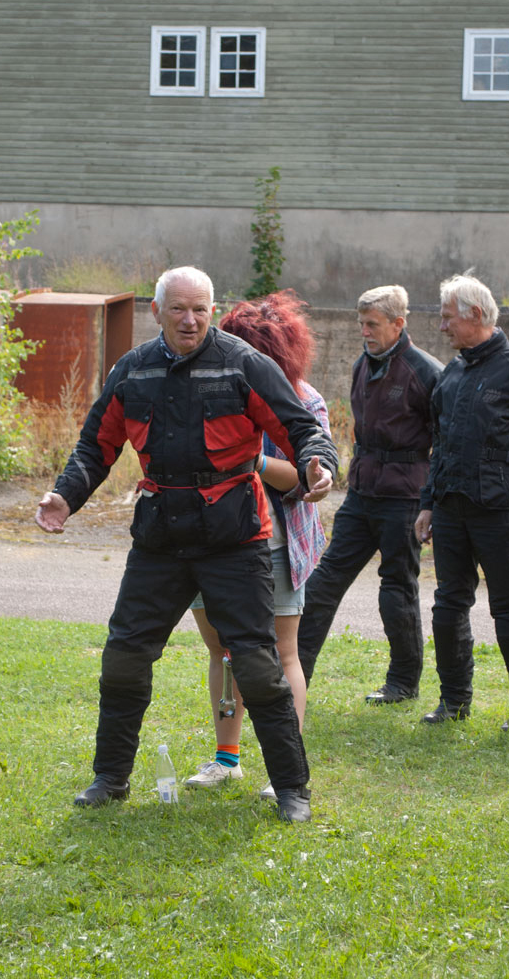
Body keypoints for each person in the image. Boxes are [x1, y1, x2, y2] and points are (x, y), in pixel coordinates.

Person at [35, 267, 338, 823]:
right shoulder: (133, 370)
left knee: (256, 664)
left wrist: (319, 462)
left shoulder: (245, 364)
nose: (190, 320)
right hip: (159, 541)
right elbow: (94, 447)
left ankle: (292, 788)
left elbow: (301, 427)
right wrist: (64, 496)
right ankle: (111, 778)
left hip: (235, 541)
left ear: (212, 309)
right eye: (178, 309)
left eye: (200, 309)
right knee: (124, 658)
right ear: (157, 311)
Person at [183, 290, 330, 798]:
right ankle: (227, 758)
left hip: (278, 541)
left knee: (279, 653)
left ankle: (284, 770)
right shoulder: (204, 389)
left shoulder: (305, 401)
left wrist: (252, 464)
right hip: (209, 539)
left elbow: (304, 481)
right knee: (223, 651)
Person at [414, 272, 509, 731]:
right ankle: (453, 701)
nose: (442, 328)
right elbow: (438, 445)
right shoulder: (454, 372)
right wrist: (427, 503)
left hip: (500, 512)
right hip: (449, 508)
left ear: (475, 315)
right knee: (447, 606)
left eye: (447, 319)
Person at [296, 285, 442, 703]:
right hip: (361, 493)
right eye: (361, 323)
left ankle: (403, 683)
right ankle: (295, 673)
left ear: (399, 324)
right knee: (323, 583)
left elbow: (445, 438)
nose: (364, 331)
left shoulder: (426, 371)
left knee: (396, 587)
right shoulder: (363, 363)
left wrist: (429, 499)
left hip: (404, 495)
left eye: (372, 324)